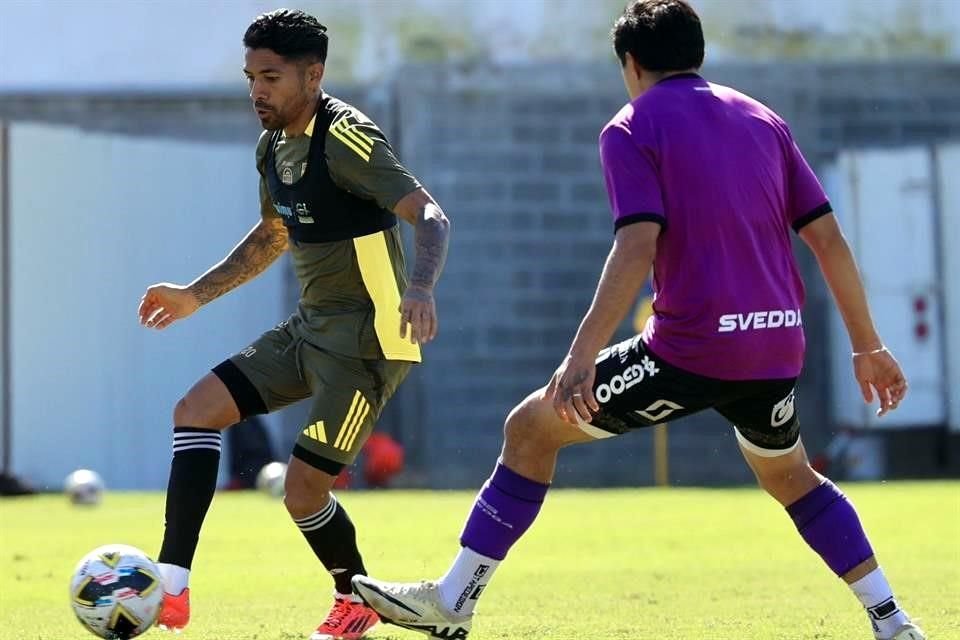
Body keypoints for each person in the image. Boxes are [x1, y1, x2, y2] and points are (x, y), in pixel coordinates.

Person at [351, 2, 924, 639]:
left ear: (631, 63)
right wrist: (868, 346)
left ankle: (454, 599)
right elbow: (829, 240)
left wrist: (581, 356)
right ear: (697, 53)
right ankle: (892, 620)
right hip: (773, 345)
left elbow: (636, 245)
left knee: (530, 429)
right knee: (790, 475)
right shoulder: (765, 120)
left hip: (692, 348)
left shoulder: (630, 126)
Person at [137, 9, 449, 640]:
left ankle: (354, 600)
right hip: (308, 329)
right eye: (251, 76)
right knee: (194, 410)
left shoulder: (349, 137)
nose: (257, 90)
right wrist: (195, 295)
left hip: (367, 343)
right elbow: (273, 232)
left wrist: (420, 288)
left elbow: (432, 216)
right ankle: (170, 588)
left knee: (303, 493)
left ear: (314, 75)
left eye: (271, 77)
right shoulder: (272, 145)